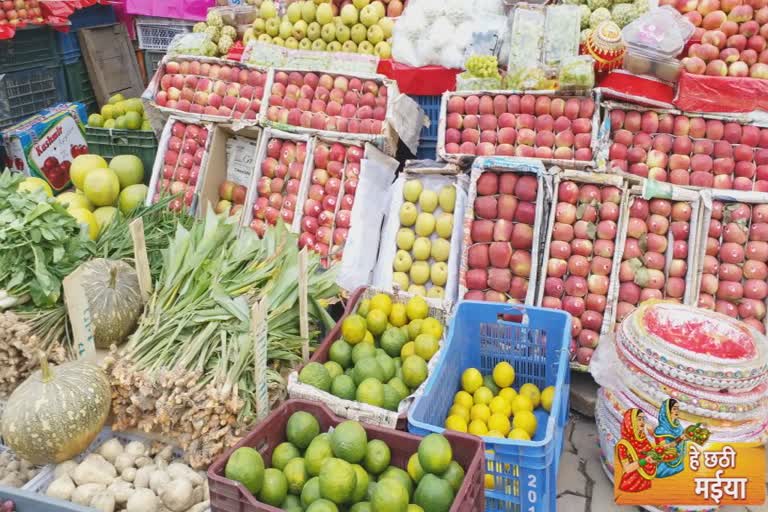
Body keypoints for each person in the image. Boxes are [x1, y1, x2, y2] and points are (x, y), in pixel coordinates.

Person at [616, 408, 657, 492]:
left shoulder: (643, 439)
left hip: (646, 482)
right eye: (639, 419)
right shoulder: (623, 444)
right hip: (631, 484)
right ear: (630, 422)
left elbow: (650, 455)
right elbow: (627, 469)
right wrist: (644, 461)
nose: (642, 422)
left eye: (643, 419)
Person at [654, 398, 686, 479]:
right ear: (667, 411)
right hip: (666, 465)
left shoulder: (678, 426)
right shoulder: (660, 430)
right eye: (674, 409)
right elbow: (664, 447)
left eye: (678, 409)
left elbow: (683, 438)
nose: (677, 411)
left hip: (679, 463)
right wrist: (680, 438)